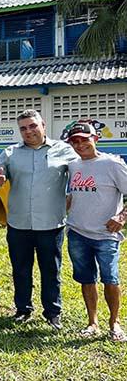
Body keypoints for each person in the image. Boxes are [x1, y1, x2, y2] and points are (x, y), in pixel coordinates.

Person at [0, 109, 78, 330]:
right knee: (20, 269)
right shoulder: (10, 153)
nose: (28, 131)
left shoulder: (64, 151)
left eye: (32, 126)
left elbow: (83, 173)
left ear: (43, 125)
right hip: (19, 223)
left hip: (51, 223)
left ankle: (52, 312)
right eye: (23, 128)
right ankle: (23, 309)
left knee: (50, 270)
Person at [64, 122, 127, 342]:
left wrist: (121, 217)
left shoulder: (112, 164)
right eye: (75, 141)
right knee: (86, 279)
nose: (80, 144)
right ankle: (92, 322)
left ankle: (114, 323)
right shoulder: (72, 166)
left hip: (105, 235)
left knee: (110, 278)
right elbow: (72, 195)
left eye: (84, 139)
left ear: (96, 138)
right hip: (77, 232)